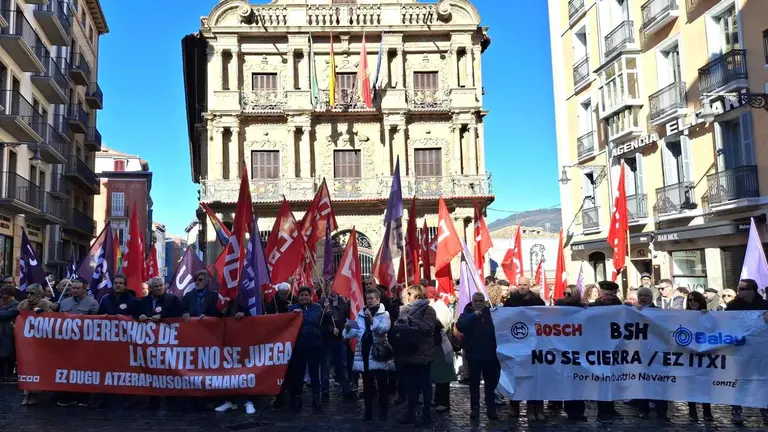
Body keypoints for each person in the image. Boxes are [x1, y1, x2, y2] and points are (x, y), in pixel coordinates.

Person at [343, 287, 392, 421]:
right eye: (367, 298)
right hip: (363, 352)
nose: (369, 301)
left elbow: (384, 329)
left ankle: (383, 412)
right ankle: (368, 412)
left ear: (378, 299)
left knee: (382, 384)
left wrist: (372, 320)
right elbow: (356, 333)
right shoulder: (361, 313)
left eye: (371, 298)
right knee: (367, 385)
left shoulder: (384, 314)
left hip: (377, 352)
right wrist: (347, 329)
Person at [725, 279, 768, 425]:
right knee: (741, 381)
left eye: (743, 289)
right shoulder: (732, 306)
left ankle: (765, 411)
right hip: (741, 350)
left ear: (752, 290)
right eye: (739, 289)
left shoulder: (765, 305)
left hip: (762, 351)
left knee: (763, 382)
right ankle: (736, 410)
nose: (739, 292)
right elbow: (724, 323)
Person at [503, 276, 545, 420]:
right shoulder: (510, 301)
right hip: (516, 344)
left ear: (529, 286)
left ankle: (535, 409)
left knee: (535, 378)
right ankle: (514, 407)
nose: (521, 287)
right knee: (516, 377)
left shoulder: (538, 302)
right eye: (519, 284)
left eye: (524, 285)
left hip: (534, 345)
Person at [396, 284, 437, 427]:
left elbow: (428, 328)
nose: (406, 298)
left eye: (409, 295)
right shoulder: (406, 310)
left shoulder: (428, 310)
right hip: (409, 352)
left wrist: (410, 319)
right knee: (411, 386)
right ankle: (410, 412)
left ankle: (426, 414)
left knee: (425, 385)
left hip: (423, 353)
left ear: (417, 296)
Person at [456, 291, 499, 420]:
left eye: (481, 301)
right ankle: (475, 409)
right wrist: (474, 316)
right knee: (474, 384)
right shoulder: (467, 313)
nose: (479, 303)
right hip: (473, 355)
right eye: (476, 301)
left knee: (490, 385)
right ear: (472, 302)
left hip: (490, 355)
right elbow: (460, 325)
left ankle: (491, 408)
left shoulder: (491, 313)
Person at [57, 279, 99, 407]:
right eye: (72, 288)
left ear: (84, 289)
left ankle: (83, 397)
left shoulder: (92, 303)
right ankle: (66, 396)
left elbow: (97, 322)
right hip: (67, 343)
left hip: (84, 343)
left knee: (83, 370)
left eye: (77, 288)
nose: (74, 290)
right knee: (66, 370)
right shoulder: (64, 303)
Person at [631, 287, 668, 420]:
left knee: (659, 381)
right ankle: (643, 409)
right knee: (642, 381)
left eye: (646, 295)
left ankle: (661, 411)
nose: (643, 297)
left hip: (657, 352)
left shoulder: (659, 311)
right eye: (640, 295)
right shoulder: (632, 310)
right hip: (639, 352)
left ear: (651, 297)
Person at [588, 281, 623, 423]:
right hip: (599, 349)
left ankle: (611, 408)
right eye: (607, 294)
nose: (609, 297)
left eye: (612, 295)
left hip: (614, 347)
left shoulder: (618, 305)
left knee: (612, 380)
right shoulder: (593, 307)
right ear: (601, 292)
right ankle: (602, 412)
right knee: (602, 380)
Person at [287, 286, 326, 413]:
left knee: (315, 374)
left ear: (311, 296)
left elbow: (313, 320)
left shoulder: (317, 307)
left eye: (306, 295)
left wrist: (299, 316)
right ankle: (297, 400)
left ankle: (316, 400)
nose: (303, 297)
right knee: (298, 374)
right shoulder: (291, 308)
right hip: (298, 346)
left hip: (315, 345)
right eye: (301, 295)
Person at [215, 297, 257, 414]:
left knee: (245, 372)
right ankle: (229, 401)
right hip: (226, 342)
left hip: (243, 341)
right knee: (227, 373)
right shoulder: (222, 298)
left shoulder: (244, 295)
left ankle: (248, 401)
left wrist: (244, 314)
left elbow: (256, 312)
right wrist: (220, 312)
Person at [17, 284, 55, 405]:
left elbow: (52, 319)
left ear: (38, 293)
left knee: (39, 367)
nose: (29, 296)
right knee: (27, 367)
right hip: (26, 340)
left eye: (32, 293)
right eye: (27, 293)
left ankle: (37, 394)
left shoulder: (46, 303)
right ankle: (27, 393)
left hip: (41, 341)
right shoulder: (22, 304)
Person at [553, 285, 586, 421]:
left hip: (579, 350)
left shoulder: (583, 309)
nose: (565, 296)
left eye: (569, 294)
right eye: (564, 293)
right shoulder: (560, 305)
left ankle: (578, 411)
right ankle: (569, 410)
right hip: (564, 350)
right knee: (567, 380)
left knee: (579, 381)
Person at [319, 286, 354, 401]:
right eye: (331, 287)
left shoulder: (344, 302)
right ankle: (324, 391)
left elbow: (349, 318)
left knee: (343, 365)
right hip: (327, 340)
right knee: (326, 366)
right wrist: (329, 327)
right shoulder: (322, 302)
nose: (334, 289)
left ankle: (346, 390)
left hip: (341, 338)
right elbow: (319, 322)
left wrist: (348, 329)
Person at [684, 290, 713, 422]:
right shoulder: (683, 315)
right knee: (690, 384)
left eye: (695, 300)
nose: (692, 302)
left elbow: (715, 330)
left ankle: (707, 411)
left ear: (700, 301)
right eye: (690, 300)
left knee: (704, 384)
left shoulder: (708, 315)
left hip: (704, 355)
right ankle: (692, 411)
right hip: (688, 355)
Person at [427, 286, 456, 413]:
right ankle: (438, 399)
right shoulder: (435, 306)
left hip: (442, 345)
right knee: (438, 374)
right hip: (437, 346)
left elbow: (442, 324)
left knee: (443, 376)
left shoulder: (439, 308)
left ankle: (444, 402)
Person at [0, 285, 19, 383]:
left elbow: (9, 314)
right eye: (2, 294)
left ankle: (8, 374)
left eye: (6, 294)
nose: (4, 296)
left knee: (7, 354)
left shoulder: (16, 304)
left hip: (9, 331)